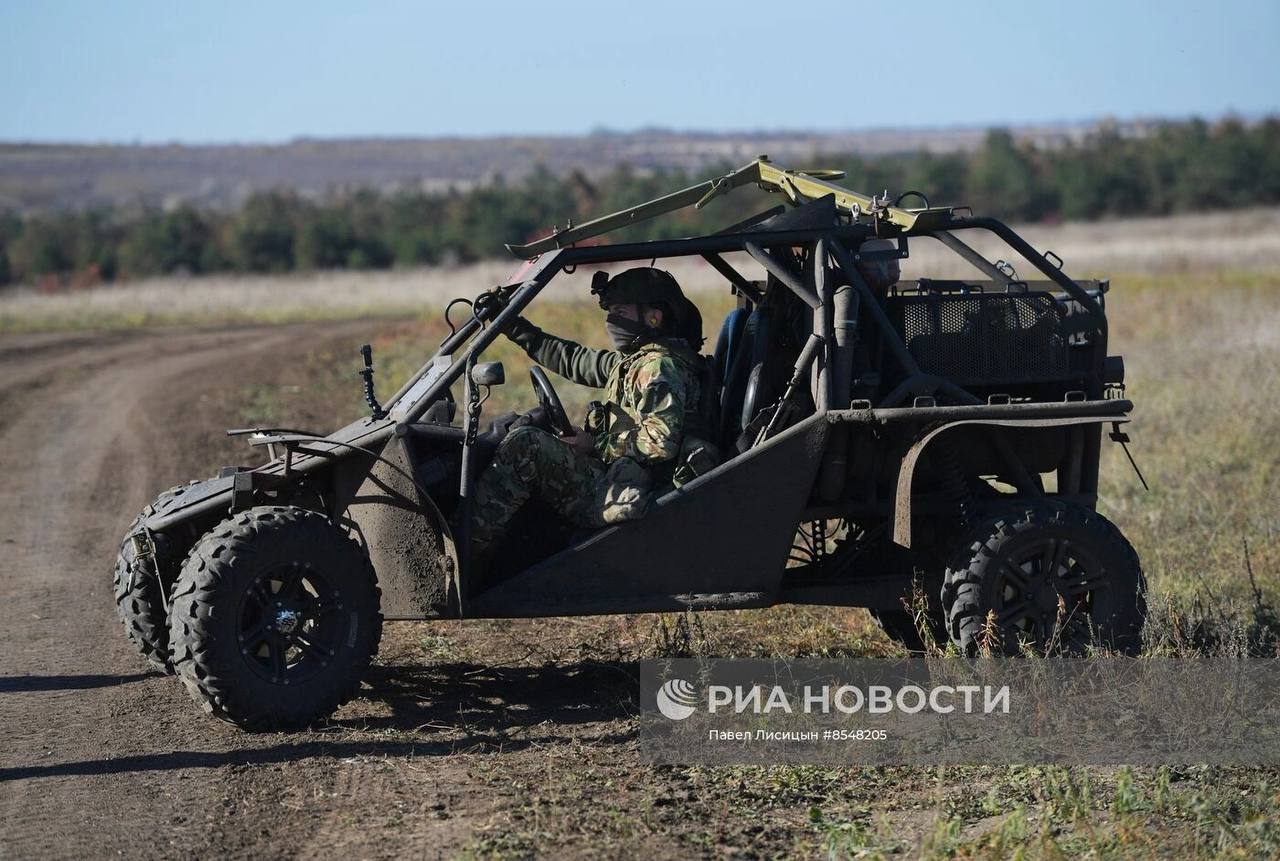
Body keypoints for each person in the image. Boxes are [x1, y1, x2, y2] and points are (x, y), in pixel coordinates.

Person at [467, 267, 717, 575]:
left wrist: (595, 444)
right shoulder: (634, 362)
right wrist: (511, 324)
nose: (611, 321)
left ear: (654, 318)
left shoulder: (659, 368)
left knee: (526, 445)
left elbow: (659, 443)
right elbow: (572, 358)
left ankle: (464, 556)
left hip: (632, 489)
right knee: (527, 424)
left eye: (620, 312)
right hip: (617, 474)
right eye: (610, 312)